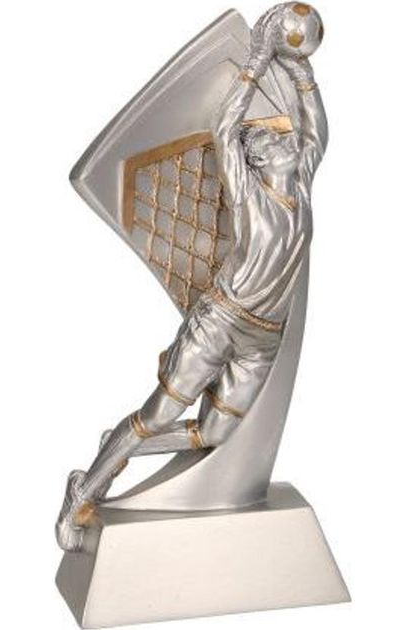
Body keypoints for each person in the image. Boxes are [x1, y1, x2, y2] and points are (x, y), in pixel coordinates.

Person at [56, 5, 328, 552]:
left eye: (281, 139)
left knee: (216, 433)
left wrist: (301, 69)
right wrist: (256, 59)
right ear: (257, 161)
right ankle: (87, 488)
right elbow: (225, 128)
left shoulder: (300, 182)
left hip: (263, 340)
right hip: (221, 321)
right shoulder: (249, 196)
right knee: (159, 413)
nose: (283, 139)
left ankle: (121, 444)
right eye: (270, 141)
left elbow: (317, 127)